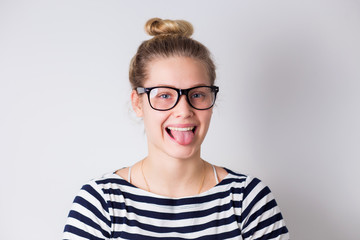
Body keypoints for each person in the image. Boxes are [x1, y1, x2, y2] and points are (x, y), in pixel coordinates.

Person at [63, 18, 289, 240]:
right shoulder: (100, 203)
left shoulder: (248, 200)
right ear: (137, 103)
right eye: (164, 95)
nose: (183, 110)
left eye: (197, 94)